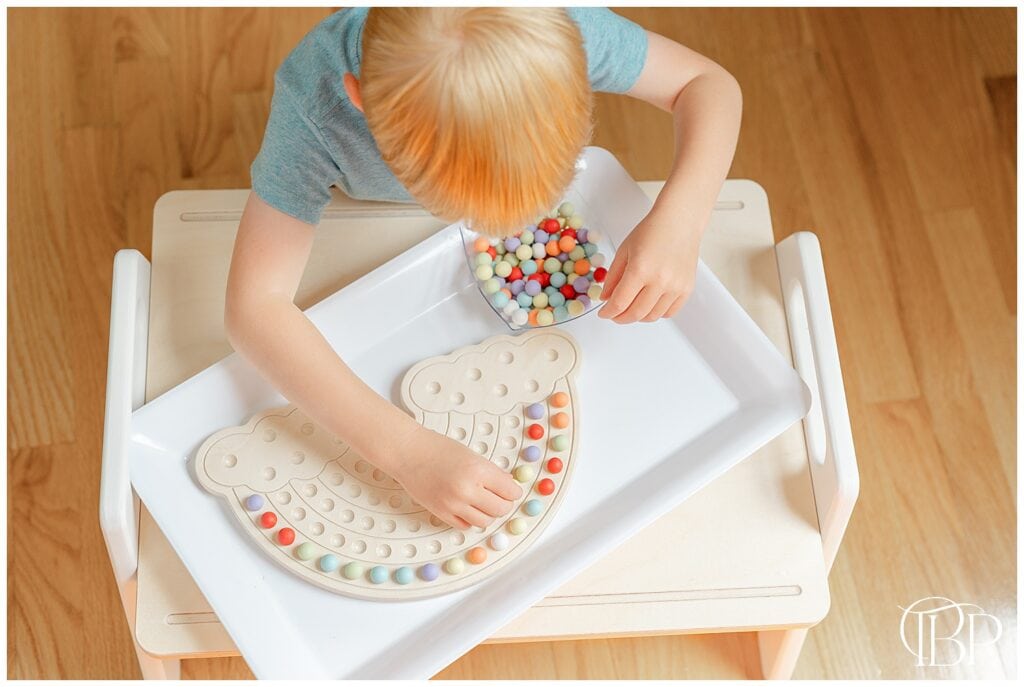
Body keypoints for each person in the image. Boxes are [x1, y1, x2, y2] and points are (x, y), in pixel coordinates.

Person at [225, 7, 742, 530]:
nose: (507, 228)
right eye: (464, 208)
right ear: (360, 100)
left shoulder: (559, 28)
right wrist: (405, 450)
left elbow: (707, 84)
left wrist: (683, 218)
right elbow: (254, 308)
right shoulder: (313, 109)